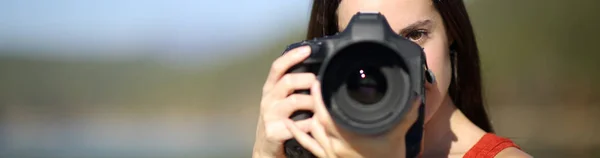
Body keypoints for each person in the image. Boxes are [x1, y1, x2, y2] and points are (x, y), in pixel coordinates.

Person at [253, 0, 533, 157]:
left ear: (452, 35)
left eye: (414, 36)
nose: (389, 65)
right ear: (330, 57)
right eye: (364, 46)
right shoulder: (319, 149)